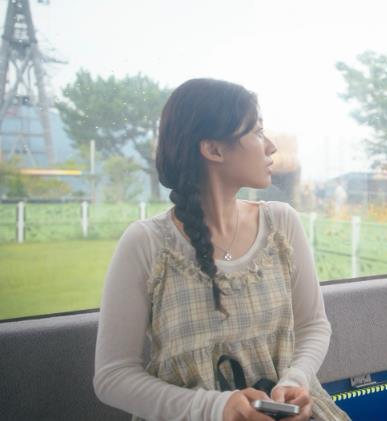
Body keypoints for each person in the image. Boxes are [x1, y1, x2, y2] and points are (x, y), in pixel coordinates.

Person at [94, 78, 350, 421]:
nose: (271, 146)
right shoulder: (147, 243)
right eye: (257, 132)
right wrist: (216, 408)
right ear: (214, 150)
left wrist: (295, 381)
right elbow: (112, 376)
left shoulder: (282, 224)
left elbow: (314, 326)